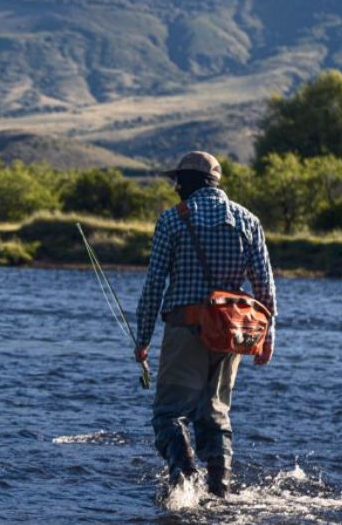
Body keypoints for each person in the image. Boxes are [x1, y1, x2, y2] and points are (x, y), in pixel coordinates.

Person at [133, 151, 276, 497]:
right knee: (215, 415)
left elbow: (154, 285)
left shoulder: (172, 220)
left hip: (186, 328)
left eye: (177, 180)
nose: (175, 187)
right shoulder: (248, 220)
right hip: (233, 334)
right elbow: (265, 286)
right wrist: (268, 337)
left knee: (168, 414)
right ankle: (219, 492)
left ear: (188, 182)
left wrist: (143, 338)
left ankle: (183, 487)